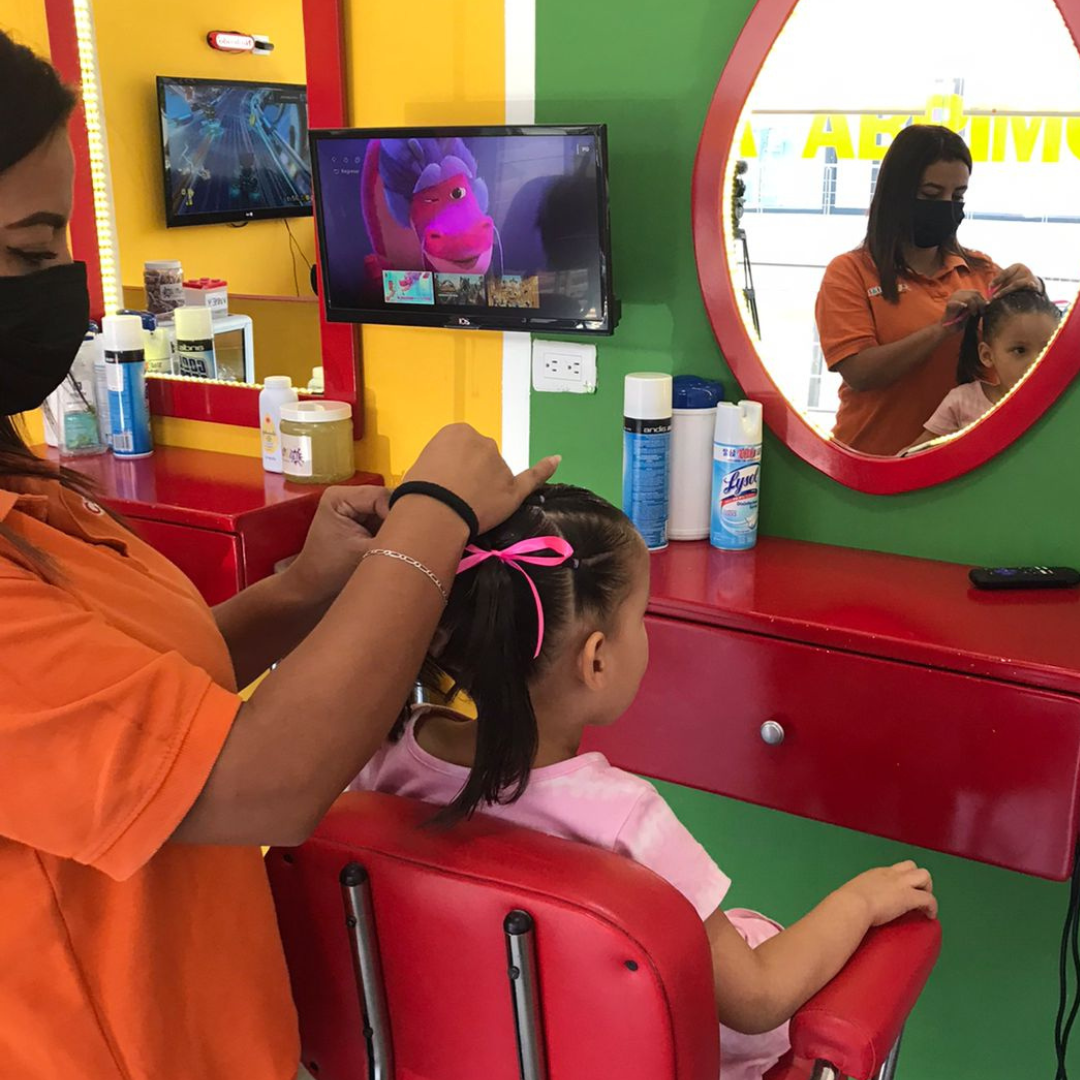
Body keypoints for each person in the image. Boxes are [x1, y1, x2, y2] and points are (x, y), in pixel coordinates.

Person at [0, 31, 559, 1079]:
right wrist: (432, 514)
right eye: (31, 252)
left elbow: (131, 713)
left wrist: (305, 591)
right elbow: (258, 783)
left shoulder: (29, 496)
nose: (62, 287)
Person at [350, 484, 938, 1080]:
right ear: (597, 659)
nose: (647, 633)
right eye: (643, 616)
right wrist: (860, 900)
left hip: (470, 1051)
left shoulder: (389, 755)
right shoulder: (625, 821)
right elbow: (757, 998)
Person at [815, 124, 1042, 456]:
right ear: (898, 194)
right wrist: (941, 329)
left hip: (968, 467)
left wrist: (1032, 293)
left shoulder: (981, 270)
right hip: (873, 461)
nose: (947, 206)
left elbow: (1031, 357)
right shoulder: (850, 272)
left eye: (958, 196)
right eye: (931, 195)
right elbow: (860, 372)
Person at [902, 288, 1061, 453]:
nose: (1037, 361)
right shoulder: (962, 402)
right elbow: (911, 457)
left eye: (1049, 348)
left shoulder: (1062, 403)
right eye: (1019, 350)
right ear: (987, 355)